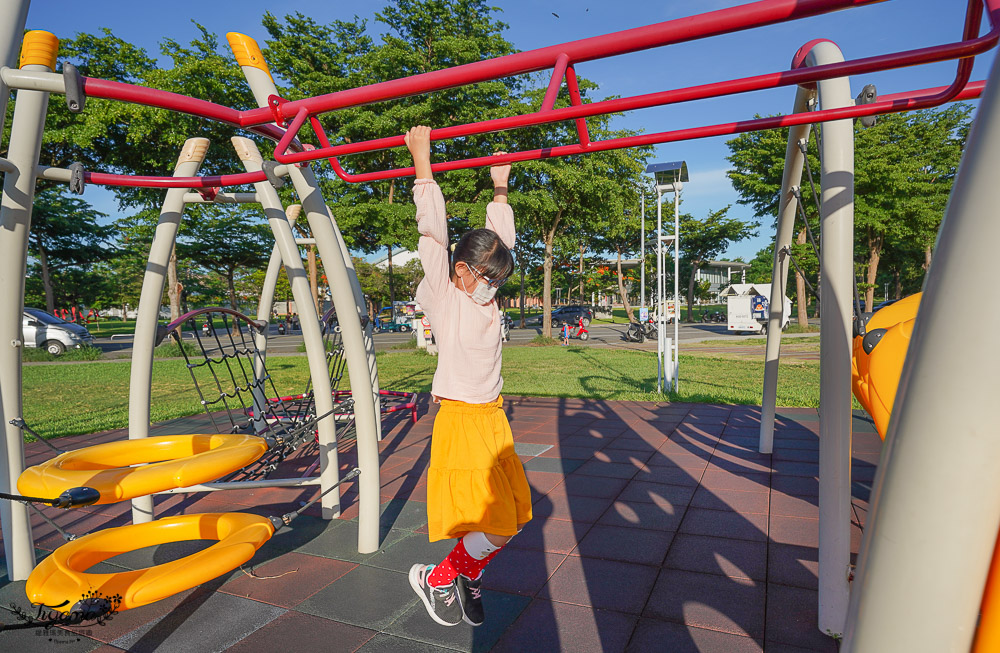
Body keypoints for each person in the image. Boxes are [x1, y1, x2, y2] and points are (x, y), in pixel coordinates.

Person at [403, 125, 531, 629]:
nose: (493, 288)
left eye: (500, 279)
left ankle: (463, 573)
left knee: (512, 517)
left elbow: (502, 240)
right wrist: (423, 163)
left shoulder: (488, 297)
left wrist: (500, 188)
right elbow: (431, 231)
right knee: (496, 525)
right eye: (487, 277)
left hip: (492, 419)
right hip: (460, 418)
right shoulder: (445, 293)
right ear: (460, 271)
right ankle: (438, 577)